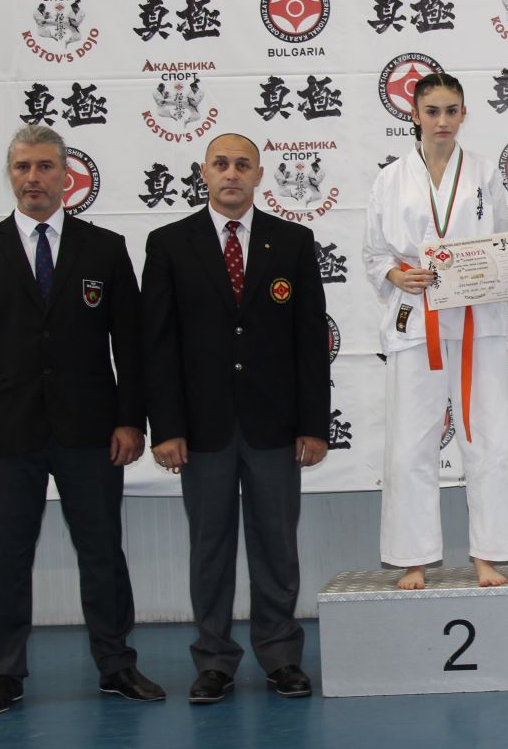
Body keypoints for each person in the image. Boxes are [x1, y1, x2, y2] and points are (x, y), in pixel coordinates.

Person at [0, 124, 163, 715]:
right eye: (23, 167)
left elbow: (130, 345)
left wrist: (130, 420)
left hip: (90, 431)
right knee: (6, 558)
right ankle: (5, 672)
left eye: (45, 167)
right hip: (5, 434)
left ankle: (116, 665)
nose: (33, 178)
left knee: (102, 552)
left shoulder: (104, 248)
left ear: (67, 176)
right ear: (10, 175)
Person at [140, 133, 330, 702]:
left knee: (277, 547)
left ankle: (281, 656)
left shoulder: (292, 241)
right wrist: (166, 428)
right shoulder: (169, 244)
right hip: (202, 429)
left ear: (259, 175)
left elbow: (310, 341)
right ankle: (214, 661)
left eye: (242, 164)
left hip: (275, 425)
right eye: (221, 164)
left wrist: (313, 424)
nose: (231, 173)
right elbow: (157, 345)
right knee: (211, 548)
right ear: (204, 172)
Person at [362, 73, 508, 590]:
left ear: (463, 114)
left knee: (490, 435)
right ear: (414, 114)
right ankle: (413, 558)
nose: (442, 121)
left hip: (479, 319)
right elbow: (374, 253)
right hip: (419, 320)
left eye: (451, 110)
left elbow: (501, 242)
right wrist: (397, 276)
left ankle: (489, 553)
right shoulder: (390, 179)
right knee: (412, 441)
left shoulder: (483, 172)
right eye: (432, 111)